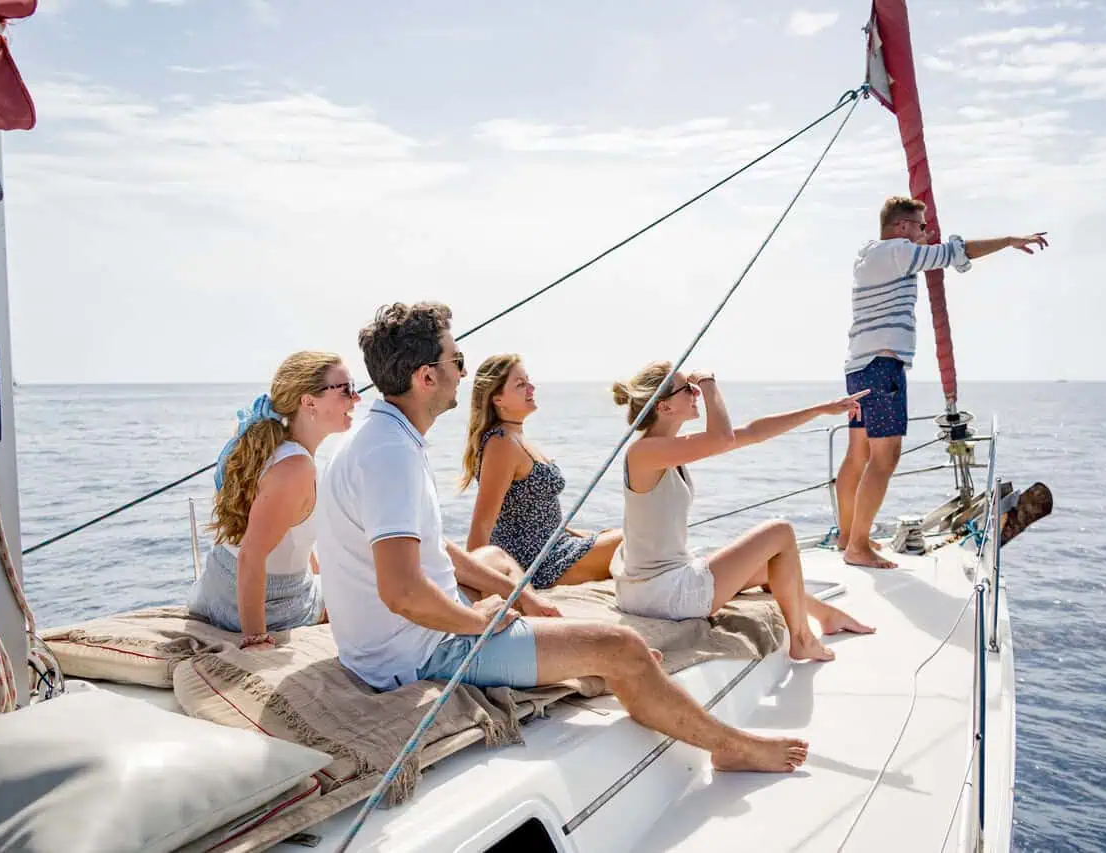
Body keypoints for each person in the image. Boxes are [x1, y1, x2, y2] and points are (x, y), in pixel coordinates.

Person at [315, 302, 811, 773]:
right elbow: (401, 591)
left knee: (498, 565)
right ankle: (732, 748)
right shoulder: (391, 455)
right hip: (415, 654)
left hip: (383, 641)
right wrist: (474, 621)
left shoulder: (372, 437)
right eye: (456, 361)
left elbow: (433, 546)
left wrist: (521, 596)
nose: (463, 374)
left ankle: (567, 650)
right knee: (623, 647)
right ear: (426, 377)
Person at [836, 196, 1049, 569]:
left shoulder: (870, 256)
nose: (926, 233)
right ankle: (858, 546)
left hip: (859, 366)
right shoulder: (900, 251)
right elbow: (955, 252)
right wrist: (1009, 240)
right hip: (884, 367)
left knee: (858, 456)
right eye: (921, 227)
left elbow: (947, 252)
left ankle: (848, 535)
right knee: (885, 460)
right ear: (901, 228)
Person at [610, 362, 874, 662]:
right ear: (664, 407)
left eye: (696, 387)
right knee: (780, 532)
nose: (696, 392)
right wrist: (709, 384)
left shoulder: (664, 448)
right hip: (661, 594)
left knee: (770, 566)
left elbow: (753, 432)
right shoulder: (644, 453)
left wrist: (821, 409)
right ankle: (802, 639)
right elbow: (723, 437)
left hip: (652, 589)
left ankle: (825, 615)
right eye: (688, 389)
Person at [188, 351, 361, 648]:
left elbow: (289, 536)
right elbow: (250, 556)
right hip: (269, 603)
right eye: (346, 389)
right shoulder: (295, 468)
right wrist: (255, 639)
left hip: (218, 586)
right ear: (308, 403)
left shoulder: (275, 451)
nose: (356, 398)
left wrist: (323, 580)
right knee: (372, 592)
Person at [460, 354, 620, 588]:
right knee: (635, 540)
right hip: (535, 561)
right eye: (520, 384)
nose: (531, 388)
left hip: (554, 545)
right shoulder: (501, 443)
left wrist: (579, 535)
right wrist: (478, 584)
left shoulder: (517, 437)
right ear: (497, 398)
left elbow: (537, 511)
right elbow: (482, 524)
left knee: (622, 533)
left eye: (528, 381)